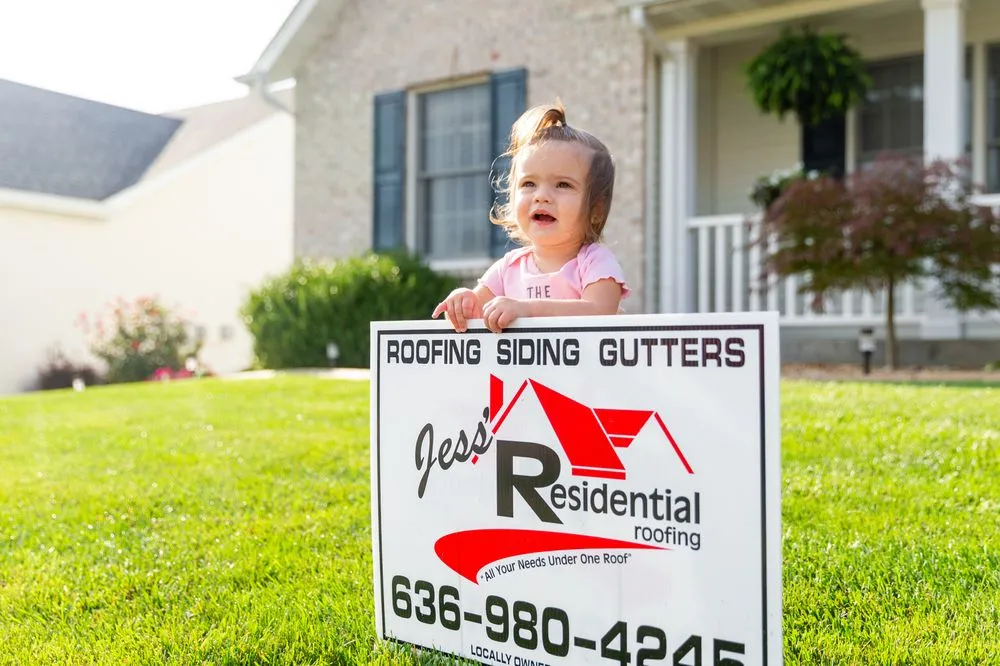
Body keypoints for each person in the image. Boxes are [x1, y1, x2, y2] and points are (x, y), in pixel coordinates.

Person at [432, 101, 629, 333]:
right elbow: (477, 310)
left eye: (563, 184)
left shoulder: (594, 261)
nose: (541, 196)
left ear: (596, 208)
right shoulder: (508, 268)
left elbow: (599, 312)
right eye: (529, 184)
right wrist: (463, 301)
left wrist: (526, 310)